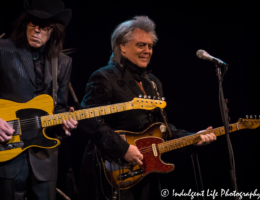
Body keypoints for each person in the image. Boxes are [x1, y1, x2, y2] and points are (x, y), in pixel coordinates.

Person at [78, 16, 216, 200]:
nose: (147, 51)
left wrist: (192, 138)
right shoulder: (104, 77)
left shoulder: (153, 82)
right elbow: (89, 119)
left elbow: (162, 127)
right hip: (112, 170)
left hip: (144, 171)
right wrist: (123, 149)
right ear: (123, 47)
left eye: (150, 46)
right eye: (141, 45)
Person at [0, 0, 78, 199]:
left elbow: (57, 107)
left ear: (54, 31)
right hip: (7, 152)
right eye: (33, 24)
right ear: (25, 23)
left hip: (45, 159)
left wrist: (63, 123)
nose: (36, 31)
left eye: (44, 27)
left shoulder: (63, 62)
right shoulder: (3, 49)